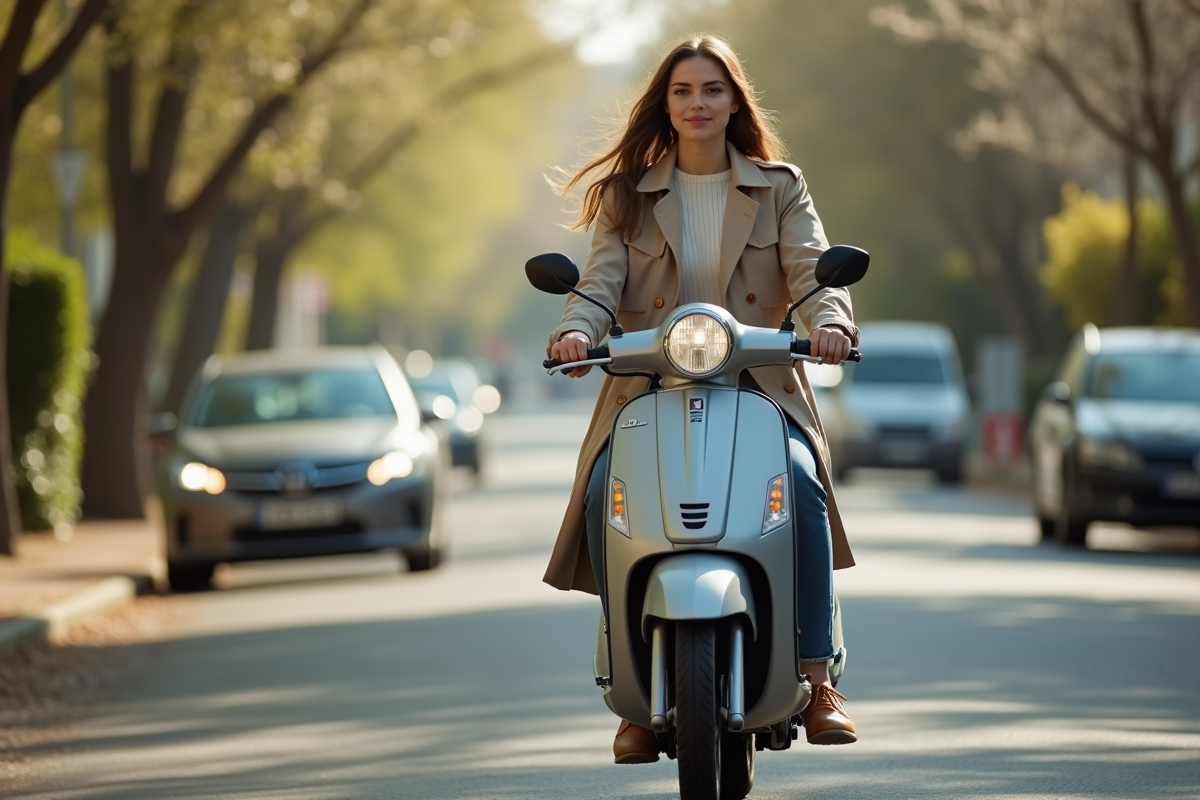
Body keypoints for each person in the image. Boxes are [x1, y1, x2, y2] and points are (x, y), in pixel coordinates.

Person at [546, 34, 859, 764]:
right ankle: (634, 683)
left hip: (759, 386)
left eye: (711, 89)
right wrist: (573, 334)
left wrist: (833, 322)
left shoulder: (780, 186)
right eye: (682, 91)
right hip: (648, 387)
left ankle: (817, 678)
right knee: (603, 490)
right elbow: (597, 284)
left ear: (733, 100)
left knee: (801, 480)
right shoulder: (627, 196)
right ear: (665, 102)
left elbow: (812, 270)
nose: (697, 103)